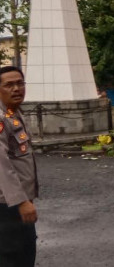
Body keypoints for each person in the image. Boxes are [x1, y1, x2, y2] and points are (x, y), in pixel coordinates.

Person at [0, 65, 38, 267]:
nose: (16, 88)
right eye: (9, 85)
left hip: (17, 205)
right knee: (12, 258)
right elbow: (1, 164)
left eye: (20, 83)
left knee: (25, 255)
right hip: (6, 208)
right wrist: (21, 201)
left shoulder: (13, 113)